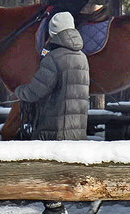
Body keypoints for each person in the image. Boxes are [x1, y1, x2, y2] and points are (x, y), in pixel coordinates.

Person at [13, 11, 90, 142]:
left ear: (53, 32)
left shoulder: (54, 58)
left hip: (54, 133)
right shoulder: (82, 57)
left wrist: (19, 91)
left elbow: (36, 91)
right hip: (78, 132)